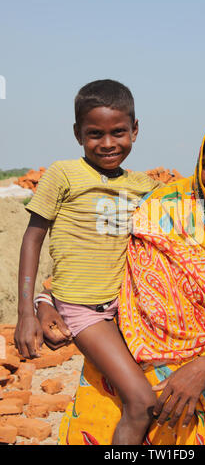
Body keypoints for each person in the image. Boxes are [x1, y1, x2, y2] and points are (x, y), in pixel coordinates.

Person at [36, 113, 205, 445]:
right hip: (121, 368)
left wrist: (203, 369)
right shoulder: (162, 205)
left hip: (184, 390)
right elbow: (95, 252)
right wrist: (44, 298)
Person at [14, 79, 168, 445]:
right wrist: (27, 309)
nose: (108, 143)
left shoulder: (144, 186)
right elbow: (33, 238)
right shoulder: (63, 175)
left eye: (118, 132)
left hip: (127, 309)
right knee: (142, 402)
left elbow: (198, 209)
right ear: (77, 133)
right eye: (94, 134)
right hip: (84, 308)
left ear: (135, 130)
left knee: (146, 396)